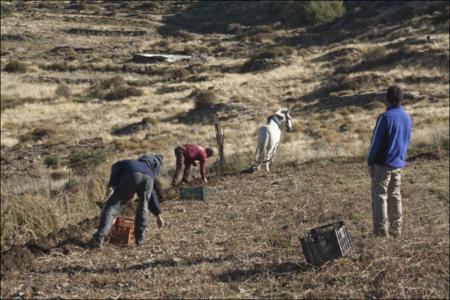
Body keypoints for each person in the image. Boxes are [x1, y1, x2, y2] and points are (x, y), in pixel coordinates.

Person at [89, 155, 164, 248]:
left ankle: (98, 240)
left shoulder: (131, 162)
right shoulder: (150, 172)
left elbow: (115, 166)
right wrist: (158, 215)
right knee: (144, 206)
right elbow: (152, 196)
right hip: (149, 180)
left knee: (112, 206)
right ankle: (140, 240)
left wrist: (112, 184)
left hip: (132, 174)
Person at [367, 85, 412, 238]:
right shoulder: (407, 117)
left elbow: (375, 142)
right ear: (401, 99)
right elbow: (406, 141)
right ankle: (396, 230)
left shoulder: (385, 117)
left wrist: (370, 162)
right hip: (398, 163)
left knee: (380, 196)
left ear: (387, 99)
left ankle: (381, 232)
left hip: (382, 165)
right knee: (395, 195)